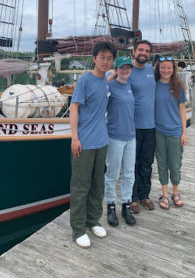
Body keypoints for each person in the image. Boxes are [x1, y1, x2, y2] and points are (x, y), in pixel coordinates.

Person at [70, 42, 116, 248]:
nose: (105, 61)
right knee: (81, 186)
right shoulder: (85, 81)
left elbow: (111, 75)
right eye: (102, 57)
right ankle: (78, 229)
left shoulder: (105, 80)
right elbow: (74, 107)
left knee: (98, 184)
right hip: (85, 142)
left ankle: (93, 220)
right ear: (94, 58)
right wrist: (74, 137)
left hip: (102, 140)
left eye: (109, 58)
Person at [105, 56, 136, 227]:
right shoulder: (110, 86)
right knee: (112, 174)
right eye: (121, 68)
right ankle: (110, 206)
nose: (125, 71)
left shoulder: (130, 86)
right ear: (116, 69)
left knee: (129, 174)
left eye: (128, 68)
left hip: (131, 137)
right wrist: (111, 75)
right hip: (115, 136)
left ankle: (126, 204)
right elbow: (99, 90)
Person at [154, 56, 187, 209]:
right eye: (163, 67)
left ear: (173, 69)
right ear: (158, 69)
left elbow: (182, 110)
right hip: (158, 131)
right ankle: (165, 193)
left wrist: (184, 133)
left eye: (169, 67)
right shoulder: (154, 85)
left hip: (175, 131)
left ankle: (175, 192)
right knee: (162, 163)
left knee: (175, 164)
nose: (165, 70)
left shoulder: (178, 87)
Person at [128, 40, 156, 214]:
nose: (143, 53)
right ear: (134, 51)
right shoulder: (126, 71)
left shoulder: (152, 71)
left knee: (147, 163)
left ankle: (144, 194)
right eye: (141, 50)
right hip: (132, 127)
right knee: (132, 164)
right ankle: (132, 198)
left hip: (151, 126)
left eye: (147, 50)